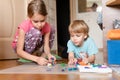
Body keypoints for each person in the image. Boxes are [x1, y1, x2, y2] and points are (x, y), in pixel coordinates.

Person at [12, 0, 56, 65]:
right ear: (29, 17)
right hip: (21, 49)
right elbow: (19, 51)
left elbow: (46, 46)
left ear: (46, 16)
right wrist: (36, 59)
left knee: (51, 28)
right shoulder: (23, 26)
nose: (39, 24)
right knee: (36, 32)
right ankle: (30, 56)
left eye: (42, 20)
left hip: (35, 46)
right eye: (36, 21)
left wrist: (49, 54)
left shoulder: (46, 26)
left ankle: (42, 55)